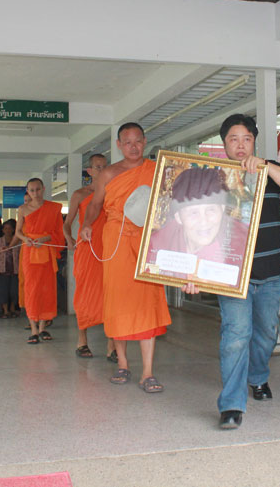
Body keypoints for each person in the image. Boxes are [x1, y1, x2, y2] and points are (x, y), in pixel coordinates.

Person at [183, 114, 280, 429]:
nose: (240, 144)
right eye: (233, 139)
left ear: (254, 142)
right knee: (236, 336)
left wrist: (265, 165)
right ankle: (232, 405)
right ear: (223, 144)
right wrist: (193, 272)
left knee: (266, 334)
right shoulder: (213, 179)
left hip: (270, 271)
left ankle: (258, 377)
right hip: (231, 275)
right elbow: (199, 230)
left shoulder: (270, 170)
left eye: (246, 139)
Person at [82, 122, 172, 393]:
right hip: (116, 239)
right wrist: (87, 223)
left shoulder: (157, 170)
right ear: (119, 145)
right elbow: (96, 204)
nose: (133, 147)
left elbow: (168, 202)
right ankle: (122, 363)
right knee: (118, 299)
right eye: (127, 142)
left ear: (145, 142)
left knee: (148, 301)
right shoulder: (108, 174)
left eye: (138, 141)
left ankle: (147, 372)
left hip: (148, 239)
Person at [147, 166, 249, 274]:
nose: (203, 221)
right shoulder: (158, 243)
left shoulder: (242, 241)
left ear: (222, 209)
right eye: (193, 213)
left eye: (211, 210)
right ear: (178, 217)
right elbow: (150, 269)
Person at [63, 153, 113, 359]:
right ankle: (82, 339)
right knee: (84, 292)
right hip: (87, 249)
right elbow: (67, 224)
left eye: (104, 167)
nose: (100, 170)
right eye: (97, 167)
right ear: (90, 171)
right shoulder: (79, 194)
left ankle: (112, 346)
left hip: (108, 250)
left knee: (110, 295)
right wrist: (68, 239)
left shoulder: (112, 193)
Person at [16, 178, 64, 344]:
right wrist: (26, 239)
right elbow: (18, 233)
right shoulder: (22, 209)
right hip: (30, 252)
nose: (35, 193)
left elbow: (59, 231)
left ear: (43, 189)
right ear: (27, 191)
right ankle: (33, 329)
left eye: (37, 189)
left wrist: (46, 238)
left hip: (46, 250)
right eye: (31, 190)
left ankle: (43, 327)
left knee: (46, 288)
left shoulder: (53, 208)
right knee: (31, 288)